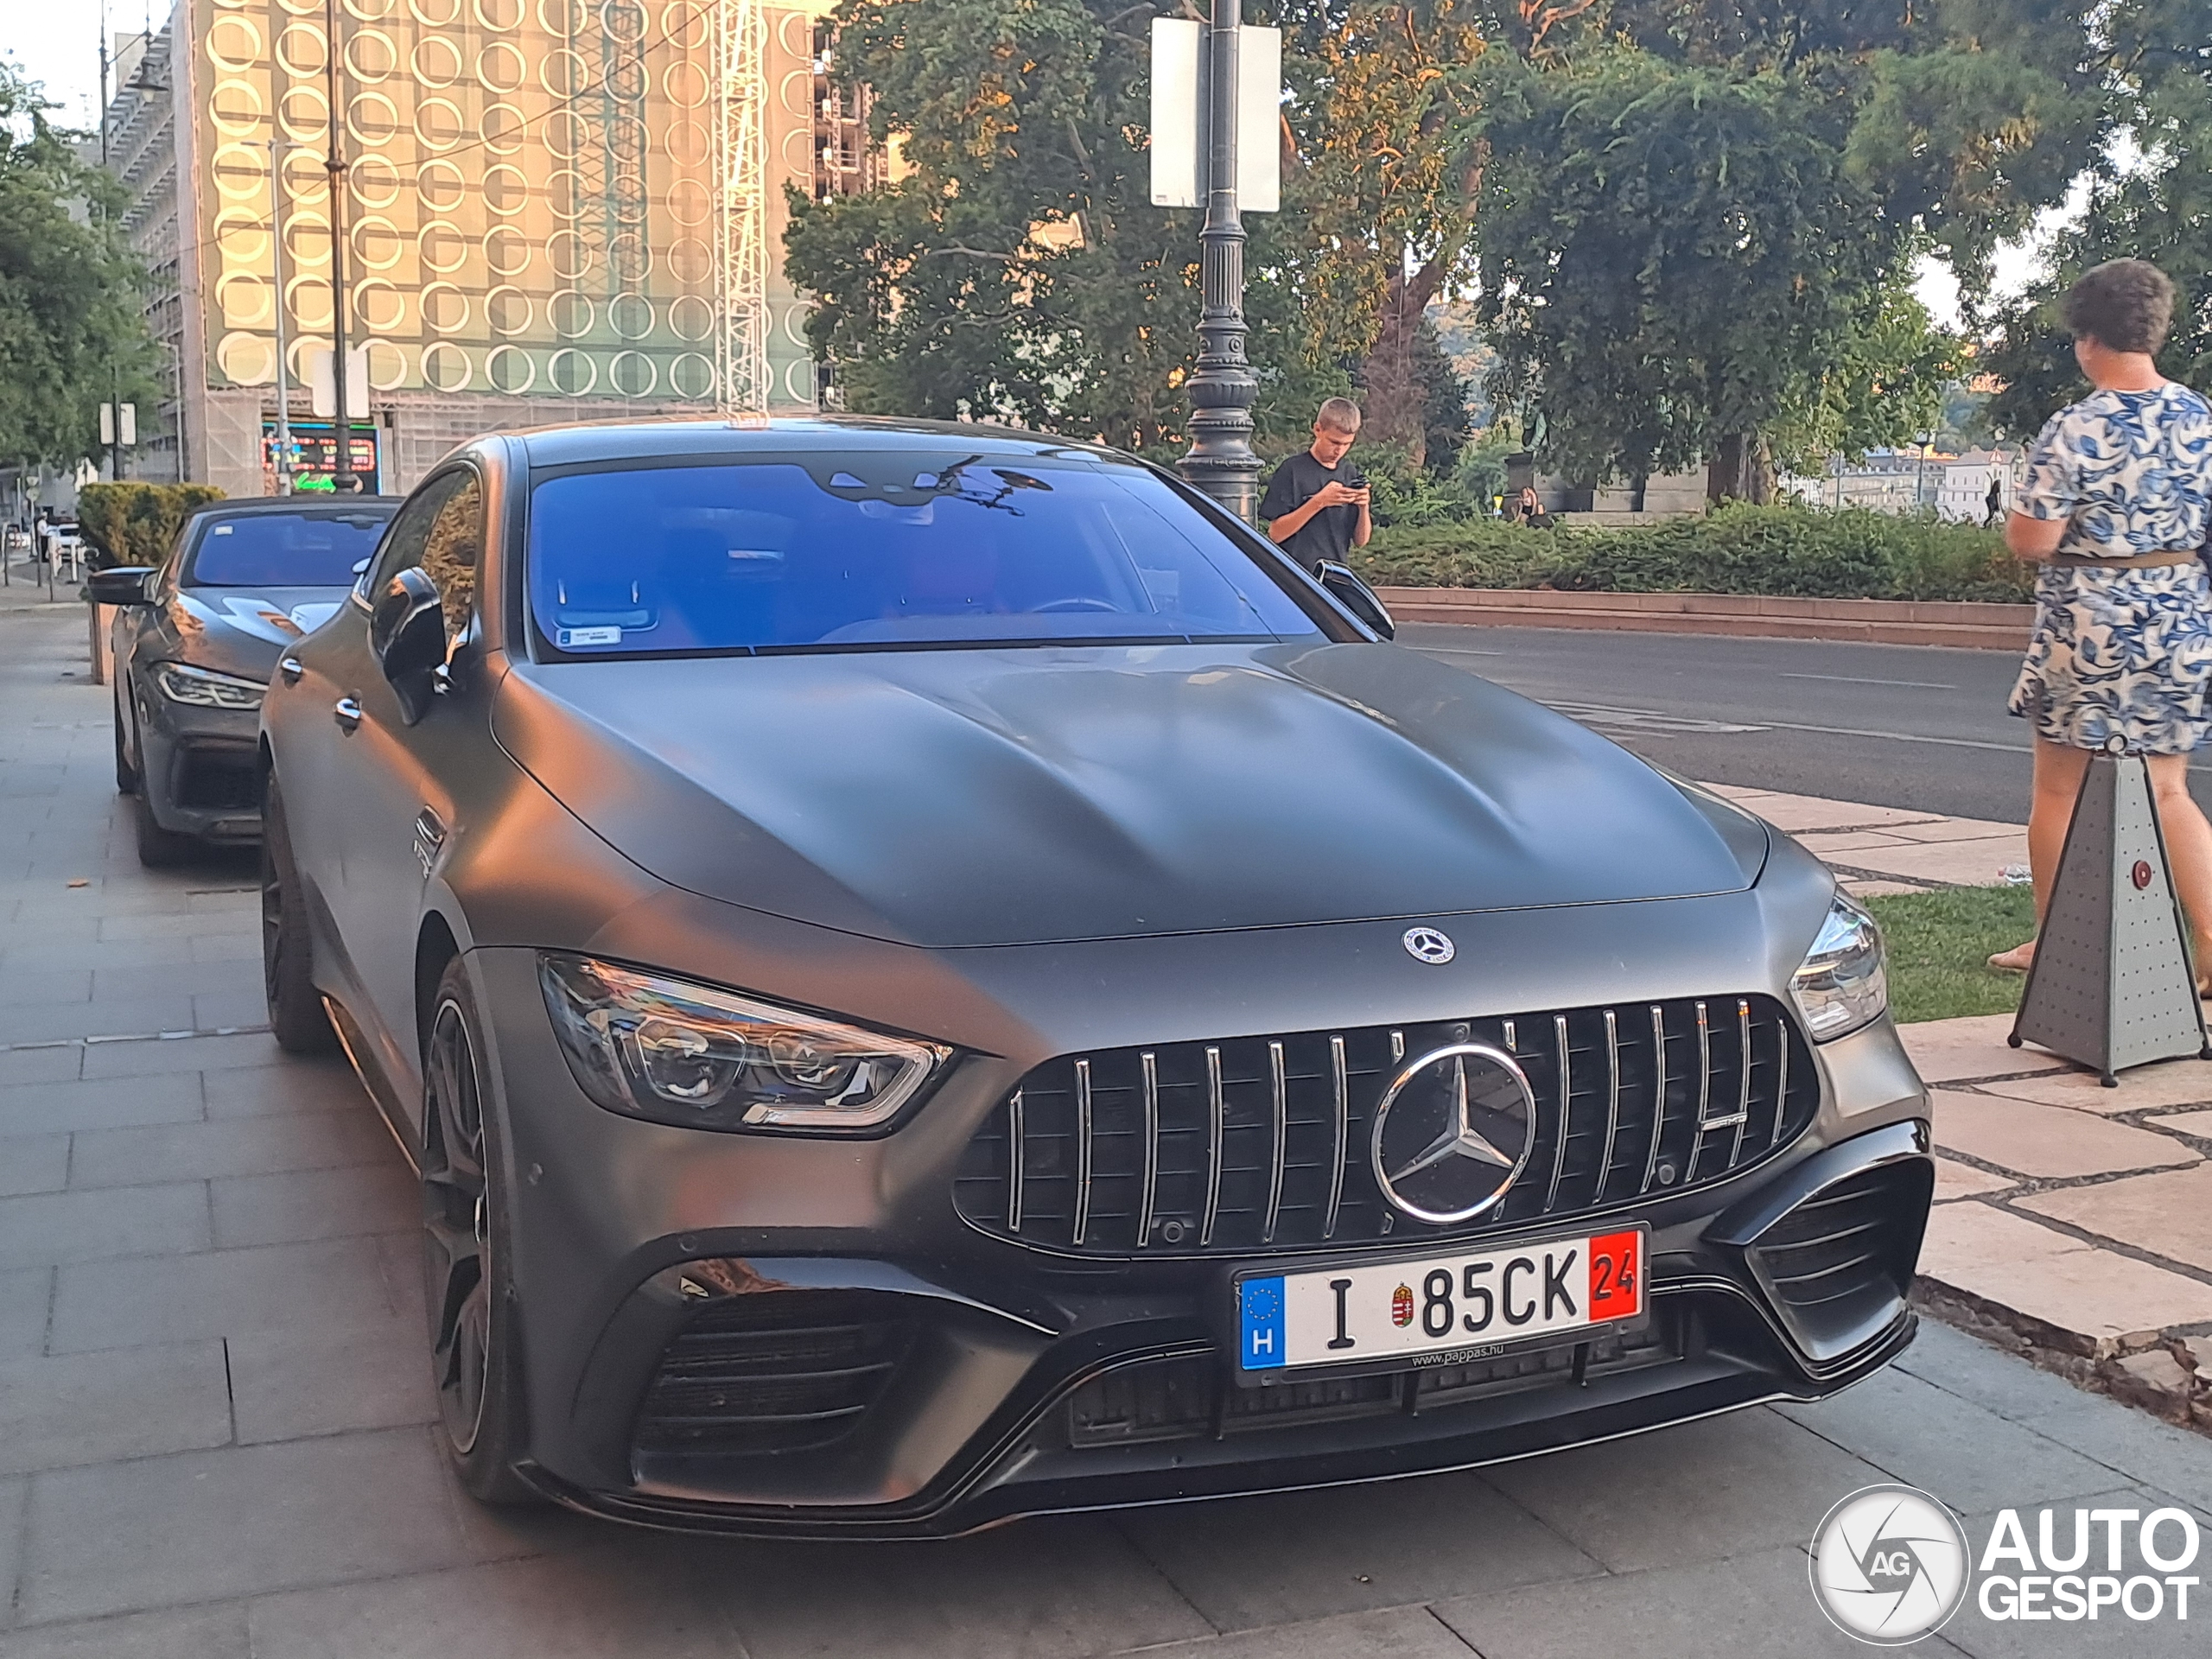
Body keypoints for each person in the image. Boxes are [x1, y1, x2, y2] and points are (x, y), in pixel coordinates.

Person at [1989, 259, 2212, 980]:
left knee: (2059, 790)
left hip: (2091, 623)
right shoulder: (2199, 417)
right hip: (2180, 615)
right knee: (2170, 789)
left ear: (2088, 339)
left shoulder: (2076, 427)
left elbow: (2033, 540)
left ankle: (2057, 945)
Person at [1258, 397, 1370, 571]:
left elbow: (1361, 541)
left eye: (1347, 444)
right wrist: (1319, 502)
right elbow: (1275, 534)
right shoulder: (1292, 469)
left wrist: (1364, 507)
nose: (1339, 450)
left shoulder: (1349, 473)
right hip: (1296, 575)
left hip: (1334, 576)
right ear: (1317, 429)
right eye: (1334, 442)